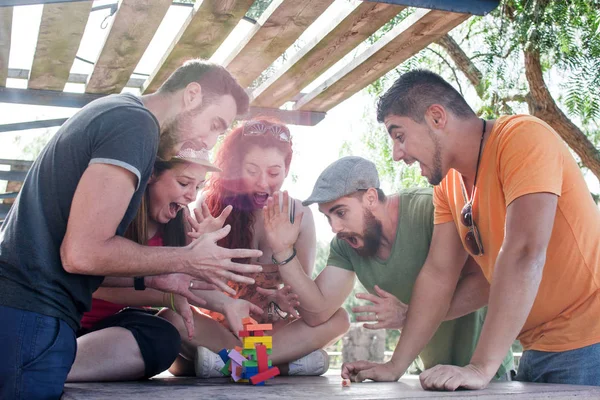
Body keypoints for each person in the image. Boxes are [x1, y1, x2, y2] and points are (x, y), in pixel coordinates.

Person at [0, 59, 263, 399]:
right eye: (214, 124)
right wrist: (186, 259)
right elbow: (82, 254)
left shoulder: (121, 112)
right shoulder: (135, 124)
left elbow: (76, 256)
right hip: (32, 315)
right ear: (192, 95)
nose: (210, 140)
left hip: (35, 315)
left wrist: (155, 278)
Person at [343, 69, 600, 389]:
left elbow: (524, 252)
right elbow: (438, 275)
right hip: (538, 350)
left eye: (400, 135)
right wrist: (395, 365)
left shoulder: (522, 137)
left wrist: (479, 367)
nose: (397, 154)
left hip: (589, 345)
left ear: (436, 117)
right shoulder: (447, 186)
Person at [270, 156, 512, 380]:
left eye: (341, 213)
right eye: (328, 217)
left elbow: (489, 282)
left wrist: (409, 315)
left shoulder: (433, 210)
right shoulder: (346, 246)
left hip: (487, 376)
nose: (334, 227)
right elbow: (317, 313)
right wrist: (283, 252)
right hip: (431, 377)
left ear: (371, 198)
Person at [160, 118, 350, 377]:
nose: (263, 183)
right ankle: (278, 365)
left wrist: (282, 299)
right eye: (252, 171)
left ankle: (229, 364)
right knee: (169, 316)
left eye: (273, 173)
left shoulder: (299, 214)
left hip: (273, 332)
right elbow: (185, 285)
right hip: (220, 327)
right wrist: (202, 247)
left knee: (339, 318)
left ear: (286, 168)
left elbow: (302, 296)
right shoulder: (209, 205)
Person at [67, 147, 263, 382]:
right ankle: (53, 366)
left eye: (198, 187)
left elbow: (183, 286)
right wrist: (165, 295)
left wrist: (229, 303)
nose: (192, 195)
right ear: (151, 176)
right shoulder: (115, 216)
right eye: (184, 183)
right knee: (171, 312)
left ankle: (253, 365)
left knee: (166, 333)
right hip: (68, 325)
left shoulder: (181, 224)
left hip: (118, 332)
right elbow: (94, 283)